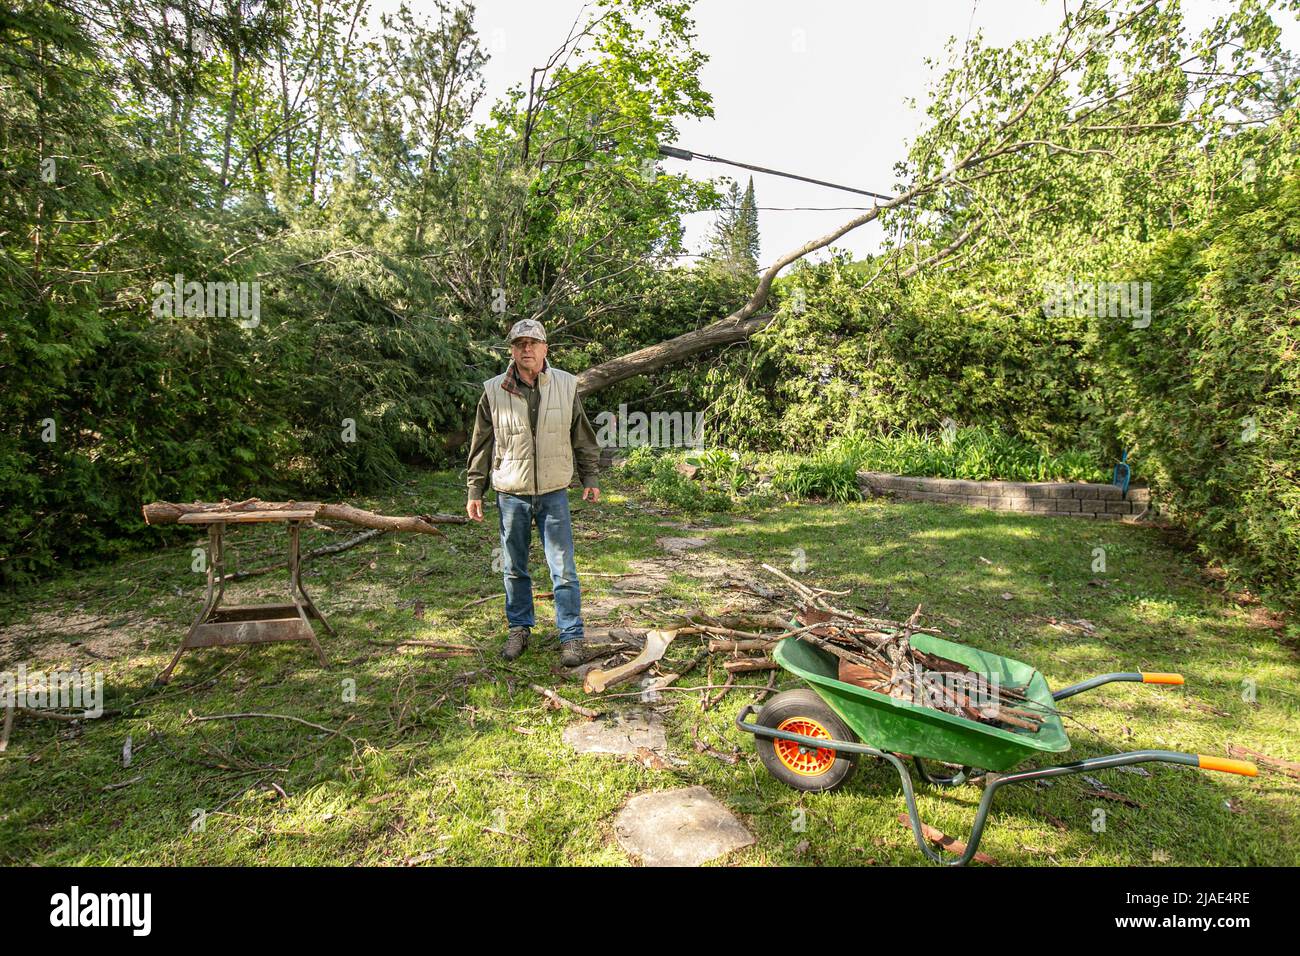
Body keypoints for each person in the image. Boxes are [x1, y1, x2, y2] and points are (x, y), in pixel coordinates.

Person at [465, 319, 602, 665]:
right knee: (514, 566)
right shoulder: (494, 390)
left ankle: (571, 636)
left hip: (554, 491)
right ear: (511, 350)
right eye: (519, 343)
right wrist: (474, 489)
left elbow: (582, 436)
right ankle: (519, 628)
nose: (526, 349)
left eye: (533, 343)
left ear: (545, 349)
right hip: (511, 492)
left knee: (563, 568)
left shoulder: (566, 385)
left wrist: (590, 477)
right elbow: (481, 444)